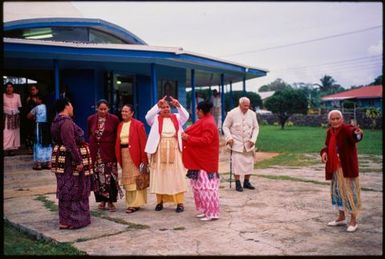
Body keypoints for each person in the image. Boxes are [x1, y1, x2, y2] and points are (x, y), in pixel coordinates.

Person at [50, 98, 91, 229]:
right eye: (71, 104)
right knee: (74, 188)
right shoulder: (66, 122)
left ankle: (65, 220)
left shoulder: (56, 121)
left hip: (62, 158)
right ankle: (73, 221)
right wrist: (78, 161)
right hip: (69, 160)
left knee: (65, 187)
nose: (73, 107)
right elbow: (70, 143)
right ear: (67, 106)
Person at [320, 110, 363, 232]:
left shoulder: (347, 129)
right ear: (329, 121)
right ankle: (341, 217)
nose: (335, 121)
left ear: (342, 119)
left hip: (347, 168)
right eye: (332, 119)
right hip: (335, 168)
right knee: (337, 193)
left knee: (350, 193)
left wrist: (358, 134)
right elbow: (327, 147)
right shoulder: (330, 132)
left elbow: (355, 136)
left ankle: (353, 220)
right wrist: (324, 153)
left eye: (337, 118)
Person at [145, 96, 189, 213]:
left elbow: (186, 116)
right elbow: (147, 116)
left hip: (174, 149)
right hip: (159, 150)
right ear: (160, 109)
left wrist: (178, 106)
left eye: (168, 107)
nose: (166, 109)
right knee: (161, 175)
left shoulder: (177, 117)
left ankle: (179, 203)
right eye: (163, 107)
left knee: (176, 176)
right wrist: (157, 106)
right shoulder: (155, 119)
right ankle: (160, 202)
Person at [182, 101, 220, 221]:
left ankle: (212, 213)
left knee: (207, 188)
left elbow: (205, 141)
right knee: (198, 187)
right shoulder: (204, 121)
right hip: (199, 159)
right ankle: (205, 210)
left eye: (197, 110)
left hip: (206, 161)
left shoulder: (208, 123)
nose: (196, 112)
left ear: (201, 111)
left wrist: (188, 138)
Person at [87, 99, 122, 212]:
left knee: (110, 177)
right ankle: (102, 200)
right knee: (99, 178)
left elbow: (117, 135)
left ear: (108, 109)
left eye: (105, 109)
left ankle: (111, 202)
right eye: (100, 109)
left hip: (109, 152)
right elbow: (90, 134)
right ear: (96, 108)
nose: (102, 111)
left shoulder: (114, 119)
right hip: (96, 154)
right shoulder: (91, 119)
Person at [115, 104, 148, 213]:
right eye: (122, 111)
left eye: (126, 111)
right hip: (124, 154)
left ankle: (136, 204)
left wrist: (144, 159)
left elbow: (143, 143)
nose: (123, 113)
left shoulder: (138, 125)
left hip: (135, 154)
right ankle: (130, 203)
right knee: (127, 179)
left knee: (136, 178)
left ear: (132, 113)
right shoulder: (120, 125)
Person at [222, 97, 259, 192]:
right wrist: (229, 137)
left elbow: (256, 128)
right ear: (240, 104)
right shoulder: (232, 113)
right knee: (237, 164)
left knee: (249, 163)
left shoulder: (252, 114)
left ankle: (246, 182)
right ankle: (238, 183)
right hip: (236, 143)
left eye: (248, 105)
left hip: (249, 143)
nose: (247, 107)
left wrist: (253, 139)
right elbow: (225, 126)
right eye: (245, 105)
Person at [27, 94, 52, 170]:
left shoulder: (37, 108)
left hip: (39, 127)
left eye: (37, 99)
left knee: (38, 142)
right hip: (47, 126)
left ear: (40, 100)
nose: (36, 100)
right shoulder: (49, 107)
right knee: (48, 143)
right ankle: (49, 163)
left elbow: (28, 116)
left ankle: (38, 164)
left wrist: (35, 117)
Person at [3, 82, 22, 156]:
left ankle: (12, 150)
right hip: (6, 117)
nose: (9, 88)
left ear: (13, 88)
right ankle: (5, 148)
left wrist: (14, 111)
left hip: (15, 117)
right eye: (7, 87)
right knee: (6, 132)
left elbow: (19, 106)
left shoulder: (17, 96)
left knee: (15, 133)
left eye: (10, 87)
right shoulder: (3, 96)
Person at [24, 84, 40, 153]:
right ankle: (29, 148)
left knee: (37, 134)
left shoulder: (40, 99)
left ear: (37, 90)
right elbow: (25, 109)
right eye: (31, 90)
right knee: (29, 133)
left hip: (38, 119)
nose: (32, 91)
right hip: (29, 119)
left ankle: (36, 148)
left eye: (34, 89)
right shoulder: (28, 99)